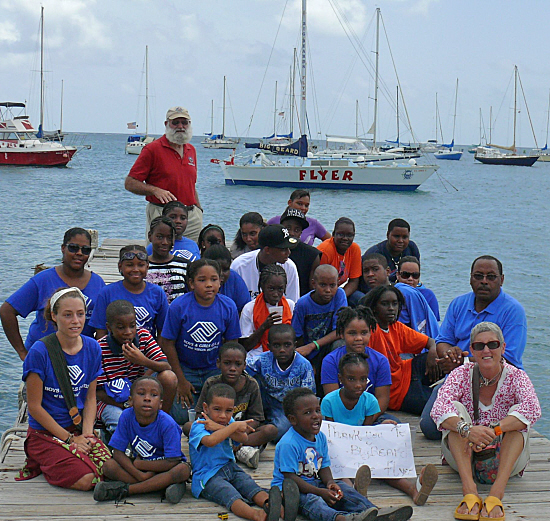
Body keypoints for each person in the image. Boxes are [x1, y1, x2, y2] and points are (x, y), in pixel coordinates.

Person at [430, 322, 541, 521]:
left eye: (493, 344)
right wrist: (467, 430)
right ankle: (469, 489)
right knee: (454, 412)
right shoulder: (460, 374)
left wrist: (495, 429)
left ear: (503, 347)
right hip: (466, 456)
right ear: (472, 350)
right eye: (480, 346)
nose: (487, 350)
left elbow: (533, 409)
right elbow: (438, 408)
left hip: (504, 458)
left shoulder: (517, 377)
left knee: (519, 416)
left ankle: (496, 493)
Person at [16, 288, 120, 490]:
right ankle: (47, 461)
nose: (76, 321)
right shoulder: (40, 352)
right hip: (45, 433)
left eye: (80, 314)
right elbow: (35, 407)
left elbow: (90, 398)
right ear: (54, 316)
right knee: (87, 479)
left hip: (78, 428)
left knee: (111, 468)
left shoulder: (92, 347)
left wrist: (88, 435)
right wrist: (70, 440)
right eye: (67, 315)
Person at [419, 255, 528, 441]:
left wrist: (462, 363)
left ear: (501, 280)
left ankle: (471, 431)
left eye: (491, 277)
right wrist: (450, 356)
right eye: (478, 276)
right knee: (429, 427)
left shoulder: (513, 311)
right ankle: (470, 430)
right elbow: (443, 341)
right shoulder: (458, 304)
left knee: (493, 429)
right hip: (459, 379)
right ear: (470, 278)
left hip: (496, 382)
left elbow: (508, 358)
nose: (484, 281)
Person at [271, 387, 414, 521]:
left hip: (315, 482)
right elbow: (290, 478)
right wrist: (319, 492)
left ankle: (373, 512)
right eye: (307, 413)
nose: (315, 416)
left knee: (345, 489)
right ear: (292, 419)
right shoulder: (288, 444)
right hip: (292, 490)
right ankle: (343, 518)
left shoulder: (320, 437)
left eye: (317, 410)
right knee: (314, 502)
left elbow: (324, 466)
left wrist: (330, 483)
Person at [321, 353, 438, 506]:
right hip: (337, 453)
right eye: (351, 379)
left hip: (361, 448)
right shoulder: (329, 401)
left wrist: (381, 429)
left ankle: (414, 491)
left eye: (363, 379)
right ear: (340, 379)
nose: (358, 384)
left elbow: (366, 431)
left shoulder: (370, 401)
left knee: (388, 470)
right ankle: (357, 494)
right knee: (342, 476)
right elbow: (331, 434)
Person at [1, 228, 105, 361]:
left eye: (85, 250)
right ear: (63, 248)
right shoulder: (43, 280)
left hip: (81, 358)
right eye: (73, 248)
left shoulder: (97, 283)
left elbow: (101, 326)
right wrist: (22, 352)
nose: (79, 253)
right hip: (44, 357)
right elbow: (6, 311)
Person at [189, 383, 289, 521]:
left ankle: (273, 504)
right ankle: (256, 515)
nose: (223, 416)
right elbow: (210, 441)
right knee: (229, 494)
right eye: (217, 409)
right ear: (205, 408)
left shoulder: (228, 421)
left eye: (228, 411)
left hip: (229, 467)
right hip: (207, 476)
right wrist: (234, 426)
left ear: (233, 410)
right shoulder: (199, 425)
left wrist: (222, 426)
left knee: (249, 485)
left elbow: (243, 438)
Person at [161, 259, 241, 424]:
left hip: (213, 369)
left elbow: (232, 344)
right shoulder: (179, 306)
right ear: (191, 283)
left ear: (220, 281)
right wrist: (181, 380)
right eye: (202, 280)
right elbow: (167, 344)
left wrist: (223, 375)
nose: (209, 285)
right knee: (182, 416)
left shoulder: (228, 306)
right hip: (184, 368)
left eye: (214, 279)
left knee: (217, 410)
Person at [93, 376, 191, 504]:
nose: (147, 398)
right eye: (141, 394)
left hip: (164, 468)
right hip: (140, 469)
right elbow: (117, 452)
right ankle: (159, 486)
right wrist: (139, 473)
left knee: (182, 471)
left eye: (154, 395)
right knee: (109, 466)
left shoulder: (168, 424)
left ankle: (126, 490)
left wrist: (141, 465)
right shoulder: (126, 416)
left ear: (160, 404)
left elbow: (173, 461)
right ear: (131, 400)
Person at [188, 342, 278, 468]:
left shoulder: (251, 385)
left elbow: (257, 418)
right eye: (227, 363)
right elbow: (200, 413)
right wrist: (222, 430)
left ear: (244, 365)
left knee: (270, 430)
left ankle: (238, 447)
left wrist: (239, 431)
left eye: (238, 364)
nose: (232, 368)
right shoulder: (211, 383)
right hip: (214, 430)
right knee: (189, 427)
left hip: (241, 431)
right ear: (218, 363)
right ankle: (242, 452)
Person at [96, 300, 177, 435]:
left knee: (169, 377)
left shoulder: (143, 336)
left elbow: (166, 365)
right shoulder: (99, 349)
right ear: (109, 328)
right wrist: (127, 405)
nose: (128, 332)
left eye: (132, 326)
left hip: (137, 394)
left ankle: (159, 424)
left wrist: (143, 360)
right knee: (119, 420)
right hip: (111, 401)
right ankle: (122, 448)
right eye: (121, 327)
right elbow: (97, 392)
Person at [124, 106, 203, 243]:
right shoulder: (152, 149)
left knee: (192, 258)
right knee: (158, 257)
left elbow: (190, 184)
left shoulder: (191, 150)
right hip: (162, 214)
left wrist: (199, 209)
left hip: (190, 217)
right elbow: (130, 182)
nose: (180, 126)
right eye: (175, 122)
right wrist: (154, 190)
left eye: (184, 122)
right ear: (166, 124)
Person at [360, 286, 440, 415]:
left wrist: (432, 352)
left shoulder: (396, 327)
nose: (391, 308)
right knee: (438, 406)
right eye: (385, 304)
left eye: (395, 304)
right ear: (374, 307)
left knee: (442, 356)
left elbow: (430, 342)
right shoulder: (370, 330)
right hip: (396, 392)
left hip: (407, 371)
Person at [320, 306, 393, 421]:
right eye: (352, 333)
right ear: (342, 334)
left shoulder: (381, 361)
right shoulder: (331, 361)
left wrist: (365, 423)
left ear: (370, 332)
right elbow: (332, 400)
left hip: (369, 416)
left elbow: (382, 399)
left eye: (364, 333)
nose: (358, 338)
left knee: (393, 425)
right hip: (338, 416)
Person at [246, 324, 315, 441]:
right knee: (250, 379)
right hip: (265, 400)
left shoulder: (304, 365)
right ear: (269, 347)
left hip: (287, 407)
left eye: (287, 345)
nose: (282, 350)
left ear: (295, 345)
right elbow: (241, 367)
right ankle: (256, 421)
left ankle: (257, 434)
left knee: (281, 431)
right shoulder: (263, 359)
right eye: (277, 345)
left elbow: (307, 396)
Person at [89, 245, 168, 340]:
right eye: (130, 265)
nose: (135, 269)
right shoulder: (106, 293)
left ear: (147, 267)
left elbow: (162, 332)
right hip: (114, 351)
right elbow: (101, 332)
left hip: (147, 351)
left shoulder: (157, 293)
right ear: (120, 267)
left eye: (140, 265)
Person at [358, 254, 439, 338]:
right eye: (366, 271)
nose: (370, 274)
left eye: (375, 269)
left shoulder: (405, 293)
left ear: (388, 271)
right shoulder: (364, 301)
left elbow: (426, 326)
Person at [292, 265, 347, 385]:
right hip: (308, 351)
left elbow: (340, 331)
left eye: (332, 285)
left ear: (338, 283)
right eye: (323, 285)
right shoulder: (303, 304)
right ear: (314, 284)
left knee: (341, 344)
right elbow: (298, 335)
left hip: (326, 346)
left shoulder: (339, 295)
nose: (328, 290)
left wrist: (313, 345)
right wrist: (308, 360)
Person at [240, 264, 295, 362]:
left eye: (280, 289)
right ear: (262, 286)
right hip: (257, 357)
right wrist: (264, 326)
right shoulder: (250, 308)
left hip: (285, 356)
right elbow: (245, 346)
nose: (275, 294)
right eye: (271, 289)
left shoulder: (290, 306)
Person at [232, 224, 300, 302]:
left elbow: (292, 302)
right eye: (283, 249)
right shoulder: (239, 266)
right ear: (267, 250)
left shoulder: (290, 267)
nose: (288, 252)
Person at [317, 218, 363, 306]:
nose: (345, 238)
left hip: (337, 292)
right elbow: (315, 282)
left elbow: (354, 281)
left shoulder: (354, 249)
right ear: (334, 234)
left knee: (362, 299)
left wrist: (341, 297)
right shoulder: (325, 250)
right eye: (341, 234)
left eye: (349, 235)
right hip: (322, 292)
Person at [145, 216, 190, 303]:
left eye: (169, 238)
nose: (165, 242)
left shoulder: (184, 265)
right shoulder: (142, 266)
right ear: (150, 236)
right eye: (159, 237)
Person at [280, 207, 321, 296]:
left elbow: (313, 288)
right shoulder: (270, 250)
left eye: (297, 230)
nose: (292, 233)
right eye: (288, 228)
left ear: (301, 233)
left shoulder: (312, 255)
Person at [203, 244, 251, 313]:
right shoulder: (197, 279)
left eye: (225, 269)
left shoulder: (234, 278)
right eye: (217, 269)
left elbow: (245, 310)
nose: (221, 274)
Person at [396, 256, 440, 321]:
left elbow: (433, 323)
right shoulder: (391, 295)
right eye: (405, 275)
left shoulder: (428, 295)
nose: (410, 279)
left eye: (415, 275)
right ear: (398, 275)